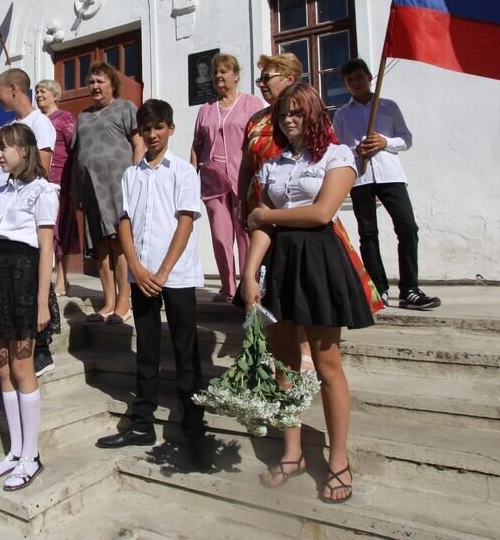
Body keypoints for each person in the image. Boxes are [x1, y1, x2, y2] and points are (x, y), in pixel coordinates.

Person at [241, 83, 375, 504]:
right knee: (284, 365)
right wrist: (248, 273)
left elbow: (321, 212)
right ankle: (293, 452)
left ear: (315, 114)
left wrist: (266, 213)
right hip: (280, 263)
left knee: (326, 362)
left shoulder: (337, 156)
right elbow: (263, 228)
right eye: (283, 113)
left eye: (297, 112)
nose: (288, 119)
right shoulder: (273, 164)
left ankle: (338, 460)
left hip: (319, 260)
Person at [97, 100, 206, 454]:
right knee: (146, 350)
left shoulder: (183, 171)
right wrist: (137, 269)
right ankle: (142, 422)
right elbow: (124, 221)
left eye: (159, 127)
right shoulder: (132, 174)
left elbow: (186, 222)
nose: (152, 134)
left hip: (176, 274)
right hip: (142, 276)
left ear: (170, 129)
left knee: (185, 349)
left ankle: (192, 425)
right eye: (146, 128)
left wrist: (162, 271)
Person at [0, 123, 60, 491]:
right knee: (3, 366)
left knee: (23, 367)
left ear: (24, 150)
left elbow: (46, 251)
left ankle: (31, 454)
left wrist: (42, 300)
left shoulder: (43, 191)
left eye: (4, 149)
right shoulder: (3, 190)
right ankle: (14, 451)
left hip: (24, 276)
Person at [333, 58, 440, 310]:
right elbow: (337, 149)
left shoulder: (388, 107)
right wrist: (355, 149)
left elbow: (406, 139)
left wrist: (385, 143)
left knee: (407, 228)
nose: (356, 83)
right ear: (345, 85)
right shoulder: (341, 115)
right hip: (361, 178)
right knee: (368, 234)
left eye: (359, 77)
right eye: (350, 80)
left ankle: (410, 288)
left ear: (369, 77)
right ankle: (378, 287)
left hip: (391, 175)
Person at [0, 69, 59, 376]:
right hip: (5, 205)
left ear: (13, 89)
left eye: (0, 92)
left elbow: (41, 166)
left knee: (33, 279)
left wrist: (26, 196)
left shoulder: (40, 124)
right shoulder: (11, 126)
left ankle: (40, 349)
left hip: (27, 206)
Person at [73, 62, 145, 324]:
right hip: (92, 191)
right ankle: (109, 301)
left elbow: (138, 144)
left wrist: (134, 180)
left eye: (100, 81)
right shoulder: (82, 116)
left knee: (119, 243)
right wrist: (76, 192)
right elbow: (78, 156)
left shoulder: (125, 108)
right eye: (91, 81)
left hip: (118, 188)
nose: (94, 86)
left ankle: (124, 302)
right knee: (100, 248)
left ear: (112, 84)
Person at [190, 53, 265, 301]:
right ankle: (227, 287)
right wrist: (193, 177)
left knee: (245, 234)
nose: (219, 76)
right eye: (216, 73)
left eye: (224, 71)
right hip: (213, 181)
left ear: (236, 75)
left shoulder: (251, 103)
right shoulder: (206, 110)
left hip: (243, 178)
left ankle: (247, 285)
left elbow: (259, 138)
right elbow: (197, 145)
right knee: (221, 237)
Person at [34, 79, 80, 299]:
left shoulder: (65, 118)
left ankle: (62, 280)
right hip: (39, 182)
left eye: (43, 91)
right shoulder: (35, 121)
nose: (39, 94)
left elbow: (75, 149)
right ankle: (46, 277)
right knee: (45, 232)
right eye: (36, 91)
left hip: (61, 181)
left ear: (55, 94)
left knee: (60, 231)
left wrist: (73, 183)